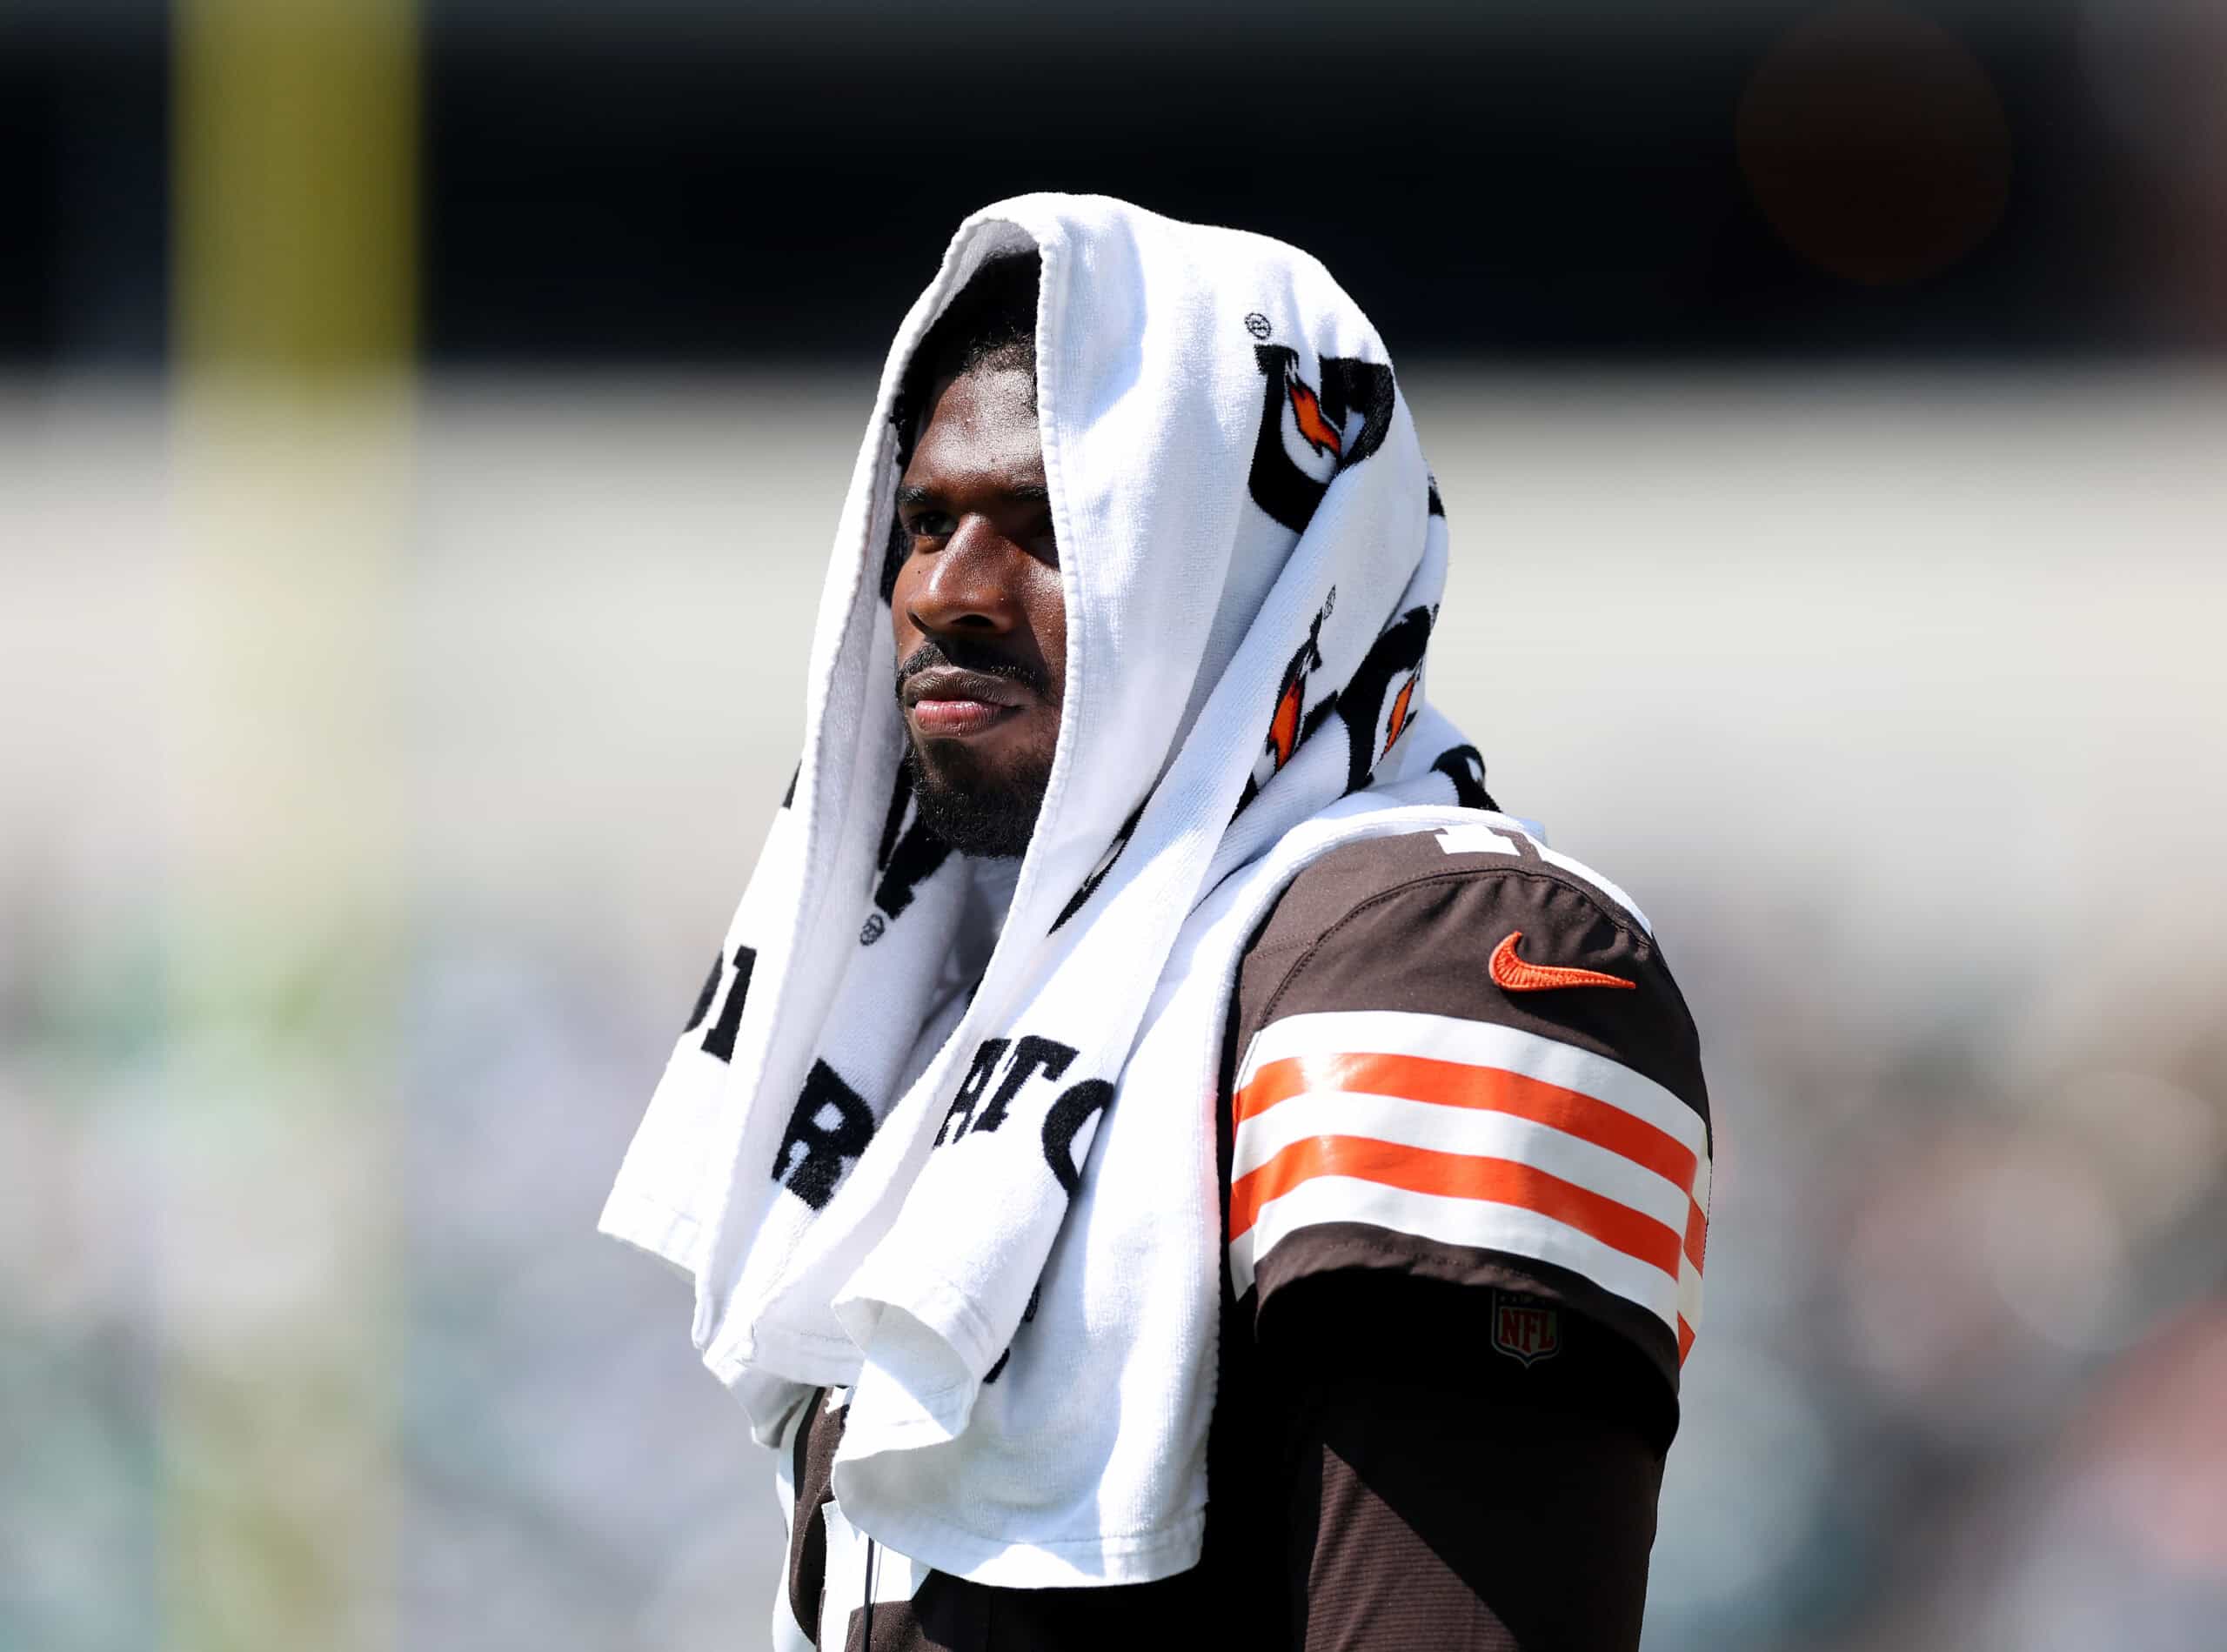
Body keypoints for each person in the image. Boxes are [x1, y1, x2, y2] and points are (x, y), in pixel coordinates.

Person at [599, 197, 1712, 1651]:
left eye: (1057, 525)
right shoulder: (968, 1018)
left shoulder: (1433, 953)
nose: (946, 591)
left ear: (1260, 571)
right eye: (925, 522)